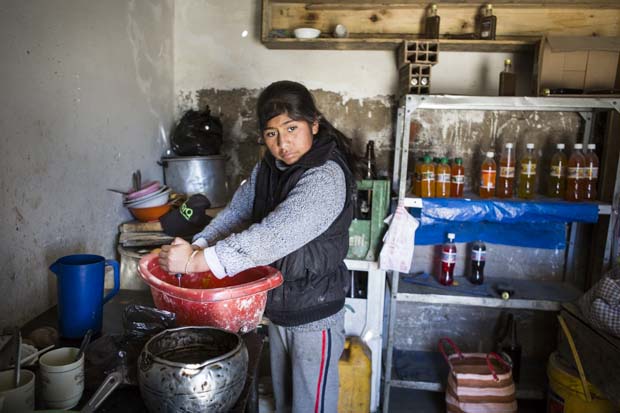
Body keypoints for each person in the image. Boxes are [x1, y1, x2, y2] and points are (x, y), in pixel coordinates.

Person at [158, 80, 358, 413]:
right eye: (271, 134)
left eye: (292, 128)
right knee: (284, 402)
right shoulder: (268, 167)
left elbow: (273, 236)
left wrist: (195, 263)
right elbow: (238, 212)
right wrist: (200, 244)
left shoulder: (325, 175)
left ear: (314, 123)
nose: (283, 143)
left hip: (314, 313)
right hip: (279, 307)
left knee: (310, 407)